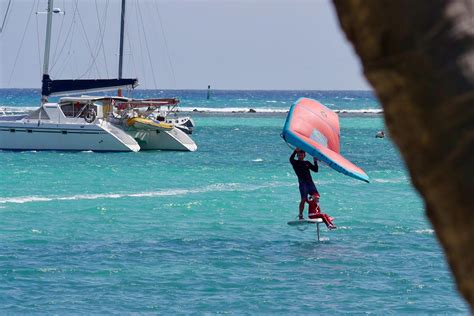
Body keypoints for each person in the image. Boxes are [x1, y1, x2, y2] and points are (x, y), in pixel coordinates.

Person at [289, 148, 319, 220]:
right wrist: (295, 151)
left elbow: (316, 170)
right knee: (303, 199)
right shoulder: (295, 163)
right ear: (297, 156)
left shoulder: (307, 163)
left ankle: (315, 212)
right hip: (303, 184)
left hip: (310, 183)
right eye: (299, 155)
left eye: (302, 154)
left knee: (316, 197)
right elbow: (290, 159)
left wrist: (315, 161)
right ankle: (300, 215)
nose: (300, 156)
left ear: (304, 155)